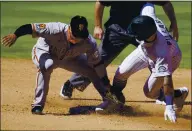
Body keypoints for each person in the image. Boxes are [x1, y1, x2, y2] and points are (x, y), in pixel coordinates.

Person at [60, 1, 179, 100]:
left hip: (141, 30)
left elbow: (166, 3)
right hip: (117, 30)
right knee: (99, 58)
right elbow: (100, 3)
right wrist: (97, 26)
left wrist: (174, 23)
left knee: (156, 55)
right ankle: (72, 83)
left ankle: (161, 92)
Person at [1, 15, 119, 115]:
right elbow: (30, 27)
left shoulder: (89, 42)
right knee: (47, 65)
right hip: (45, 53)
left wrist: (106, 82)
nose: (77, 40)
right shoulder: (54, 29)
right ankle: (38, 105)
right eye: (75, 36)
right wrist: (15, 35)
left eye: (80, 37)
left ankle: (110, 102)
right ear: (69, 29)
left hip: (69, 59)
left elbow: (97, 64)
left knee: (91, 70)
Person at [111, 3, 188, 122]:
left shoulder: (162, 51)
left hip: (170, 58)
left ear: (144, 34)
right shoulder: (147, 17)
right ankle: (115, 99)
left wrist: (169, 107)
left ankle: (177, 95)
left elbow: (167, 79)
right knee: (121, 72)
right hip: (146, 49)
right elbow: (148, 3)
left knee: (150, 93)